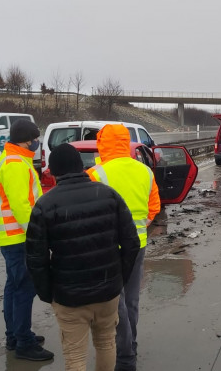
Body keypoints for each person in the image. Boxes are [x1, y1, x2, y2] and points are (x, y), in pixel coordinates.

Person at [26, 144, 140, 371]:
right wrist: (118, 279)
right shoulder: (108, 195)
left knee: (75, 357)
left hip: (69, 295)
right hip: (107, 291)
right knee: (107, 343)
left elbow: (35, 258)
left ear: (55, 171)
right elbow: (132, 243)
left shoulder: (45, 204)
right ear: (82, 167)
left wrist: (49, 294)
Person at [87, 124, 161, 371]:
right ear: (126, 142)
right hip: (138, 244)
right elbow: (154, 208)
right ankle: (132, 343)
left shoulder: (95, 174)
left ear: (103, 142)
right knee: (131, 300)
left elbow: (89, 216)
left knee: (114, 304)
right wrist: (138, 228)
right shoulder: (145, 171)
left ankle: (126, 354)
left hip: (108, 249)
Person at [0, 119, 54, 361]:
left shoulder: (13, 159)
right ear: (27, 140)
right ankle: (23, 342)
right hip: (19, 236)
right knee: (24, 289)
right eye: (35, 139)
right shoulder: (16, 164)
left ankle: (15, 335)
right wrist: (37, 236)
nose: (37, 143)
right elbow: (21, 206)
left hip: (12, 236)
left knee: (14, 287)